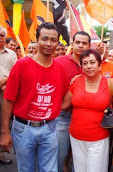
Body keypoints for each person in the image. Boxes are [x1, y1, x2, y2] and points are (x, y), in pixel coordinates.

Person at [0, 22, 69, 172]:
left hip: (50, 128)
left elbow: (66, 96)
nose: (49, 43)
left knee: (49, 170)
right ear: (37, 40)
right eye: (45, 39)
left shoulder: (59, 69)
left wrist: (83, 80)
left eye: (53, 40)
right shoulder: (22, 65)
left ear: (58, 42)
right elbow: (8, 98)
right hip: (23, 129)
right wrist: (5, 132)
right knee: (26, 169)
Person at [62, 49, 110, 172]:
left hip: (99, 139)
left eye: (92, 62)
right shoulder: (76, 82)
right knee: (79, 169)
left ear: (100, 66)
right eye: (85, 63)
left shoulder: (110, 84)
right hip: (76, 137)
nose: (89, 66)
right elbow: (63, 105)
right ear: (82, 67)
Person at [55, 31, 91, 172]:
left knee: (79, 155)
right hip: (62, 115)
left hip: (83, 116)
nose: (80, 46)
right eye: (78, 42)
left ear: (89, 45)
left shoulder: (91, 63)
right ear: (72, 44)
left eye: (84, 43)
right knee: (60, 153)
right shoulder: (59, 62)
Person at [0, 26, 17, 165]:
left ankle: (1, 155)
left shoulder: (11, 54)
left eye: (1, 35)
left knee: (2, 123)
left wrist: (5, 79)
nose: (0, 37)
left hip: (4, 94)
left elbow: (16, 72)